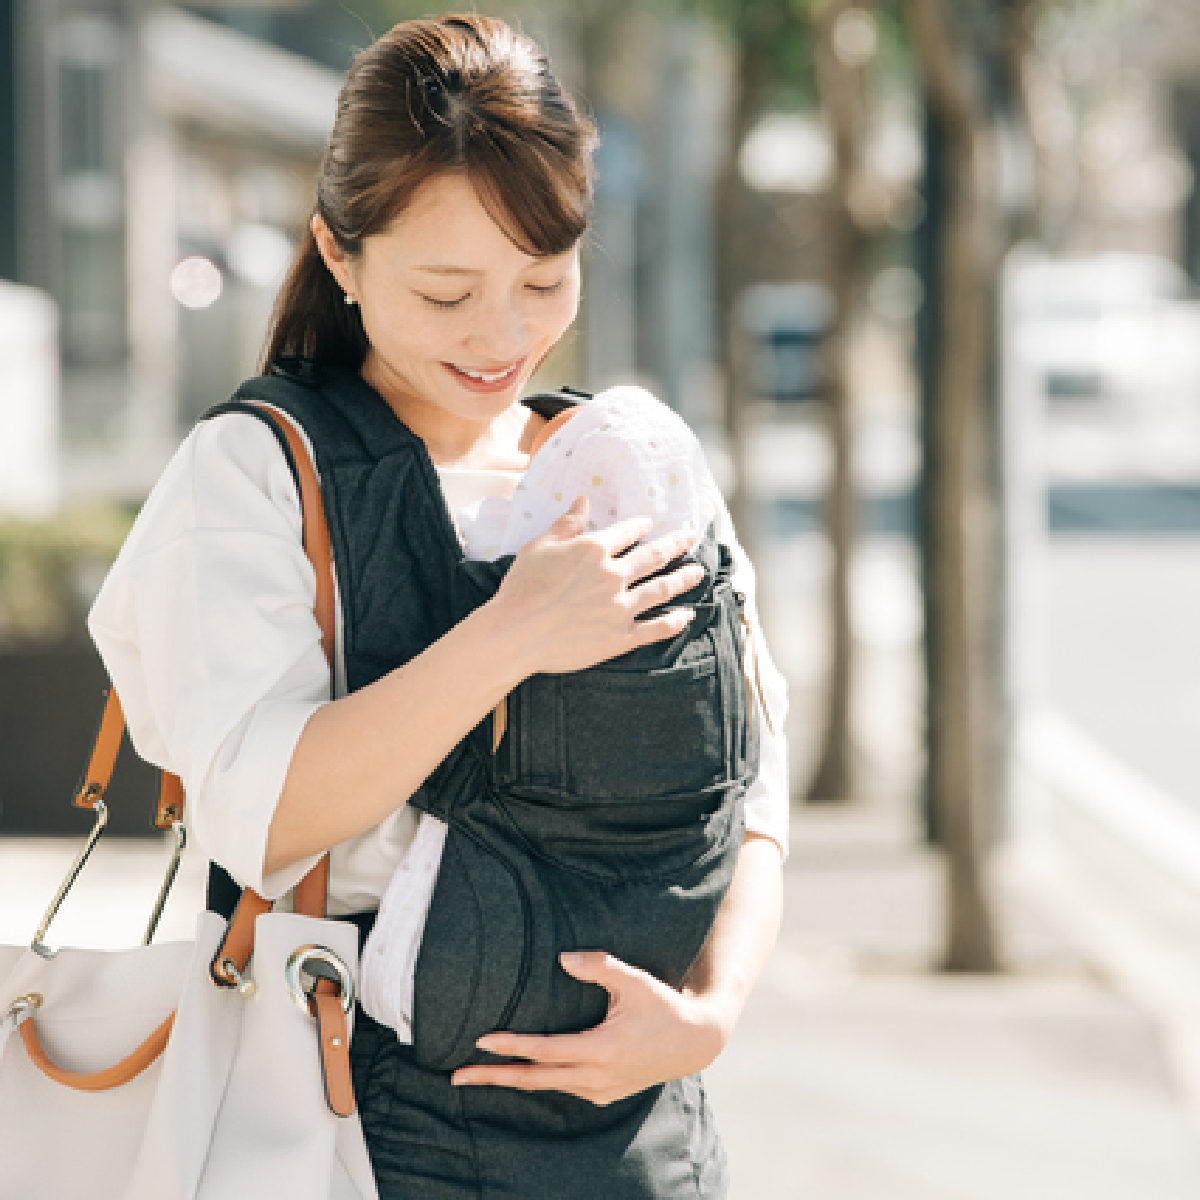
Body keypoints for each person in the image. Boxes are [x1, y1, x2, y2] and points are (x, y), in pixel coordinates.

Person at [87, 13, 788, 1198]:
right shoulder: (259, 476)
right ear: (342, 256)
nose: (503, 334)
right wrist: (516, 632)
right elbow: (267, 816)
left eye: (542, 280)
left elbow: (749, 774)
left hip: (649, 1141)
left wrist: (712, 1013)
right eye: (448, 290)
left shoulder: (627, 457)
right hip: (357, 1123)